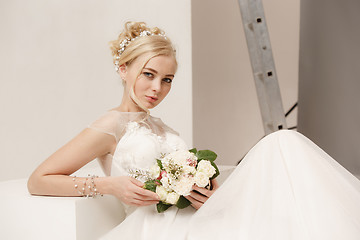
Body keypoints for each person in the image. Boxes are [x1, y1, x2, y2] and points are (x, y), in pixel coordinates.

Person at [28, 21, 360, 240]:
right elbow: (39, 179)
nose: (157, 88)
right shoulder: (110, 125)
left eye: (167, 79)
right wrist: (112, 185)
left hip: (195, 218)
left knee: (284, 151)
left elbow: (186, 183)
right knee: (281, 145)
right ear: (123, 69)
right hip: (157, 227)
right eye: (148, 74)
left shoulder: (161, 126)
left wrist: (208, 193)